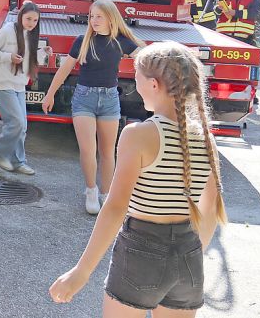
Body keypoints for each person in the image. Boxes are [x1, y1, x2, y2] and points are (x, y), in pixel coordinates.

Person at [49, 42, 227, 315]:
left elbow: (116, 206)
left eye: (137, 79)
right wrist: (191, 255)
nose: (135, 85)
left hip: (142, 250)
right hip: (188, 255)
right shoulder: (205, 138)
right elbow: (209, 210)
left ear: (154, 85)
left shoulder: (138, 135)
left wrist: (81, 271)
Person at [42, 0, 144, 214]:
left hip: (109, 100)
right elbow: (64, 70)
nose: (94, 20)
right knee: (88, 150)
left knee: (108, 152)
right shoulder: (82, 41)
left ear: (110, 18)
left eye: (99, 16)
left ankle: (107, 194)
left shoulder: (121, 41)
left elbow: (146, 58)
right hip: (84, 99)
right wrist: (49, 94)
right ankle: (90, 190)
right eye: (91, 16)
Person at [0, 1, 46, 178]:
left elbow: (29, 60)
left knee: (22, 126)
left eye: (35, 20)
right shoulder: (7, 30)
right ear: (21, 16)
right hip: (4, 83)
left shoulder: (31, 34)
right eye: (28, 19)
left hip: (19, 83)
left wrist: (43, 53)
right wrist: (8, 57)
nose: (31, 23)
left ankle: (18, 162)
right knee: (17, 123)